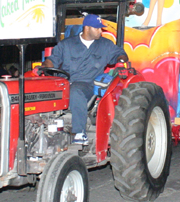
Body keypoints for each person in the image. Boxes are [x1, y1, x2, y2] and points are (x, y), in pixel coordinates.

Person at [42, 14, 128, 144]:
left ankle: (79, 132)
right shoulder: (67, 44)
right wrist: (44, 67)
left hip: (87, 85)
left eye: (101, 28)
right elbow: (52, 60)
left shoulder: (105, 45)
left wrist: (121, 61)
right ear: (87, 28)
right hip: (64, 83)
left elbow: (120, 54)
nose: (101, 31)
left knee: (75, 90)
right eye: (97, 28)